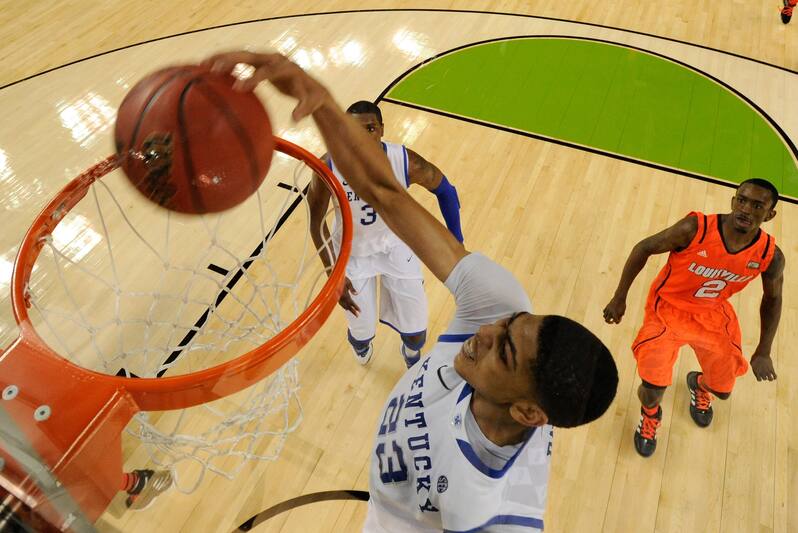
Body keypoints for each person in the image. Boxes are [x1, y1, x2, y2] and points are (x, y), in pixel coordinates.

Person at [203, 51, 618, 532]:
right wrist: (322, 103)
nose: (486, 331)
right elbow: (386, 194)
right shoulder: (500, 302)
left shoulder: (491, 512)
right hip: (393, 472)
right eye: (509, 323)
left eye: (503, 351)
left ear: (527, 411)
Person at [603, 179, 784, 457]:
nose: (746, 209)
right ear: (733, 201)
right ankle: (650, 415)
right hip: (667, 311)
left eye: (757, 206)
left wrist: (763, 350)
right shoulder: (695, 229)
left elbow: (773, 299)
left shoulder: (770, 256)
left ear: (769, 215)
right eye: (742, 200)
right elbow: (644, 247)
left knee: (722, 391)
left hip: (712, 314)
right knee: (652, 390)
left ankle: (698, 384)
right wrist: (619, 297)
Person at [308, 100, 463, 368]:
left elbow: (446, 191)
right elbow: (316, 222)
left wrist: (457, 242)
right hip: (351, 254)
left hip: (397, 246)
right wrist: (333, 274)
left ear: (381, 129)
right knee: (362, 332)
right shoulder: (329, 167)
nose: (363, 137)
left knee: (416, 334)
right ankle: (361, 344)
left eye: (370, 129)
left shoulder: (404, 161)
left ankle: (410, 353)